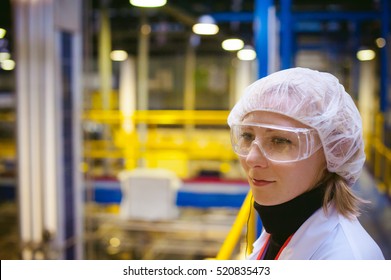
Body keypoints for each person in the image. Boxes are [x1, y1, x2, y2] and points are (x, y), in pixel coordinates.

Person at [227, 67, 384, 260]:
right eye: (247, 136)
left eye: (280, 141)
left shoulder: (347, 261)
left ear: (334, 151)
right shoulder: (284, 223)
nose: (251, 158)